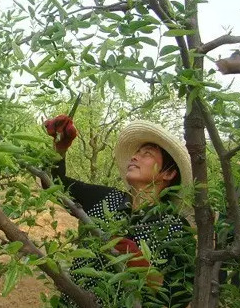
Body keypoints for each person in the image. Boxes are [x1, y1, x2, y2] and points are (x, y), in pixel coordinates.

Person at [44, 115, 195, 308]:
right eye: (136, 152)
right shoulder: (107, 199)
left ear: (168, 173)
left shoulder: (175, 227)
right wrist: (60, 147)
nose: (134, 156)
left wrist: (140, 264)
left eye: (147, 154)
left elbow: (179, 298)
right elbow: (54, 185)